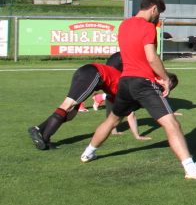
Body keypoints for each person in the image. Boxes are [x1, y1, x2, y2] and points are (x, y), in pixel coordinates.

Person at [80, 0, 196, 179]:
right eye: (158, 13)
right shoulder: (148, 28)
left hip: (125, 81)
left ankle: (88, 153)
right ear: (153, 8)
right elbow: (151, 58)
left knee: (112, 120)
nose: (158, 17)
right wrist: (165, 79)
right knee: (172, 124)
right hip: (142, 83)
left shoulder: (124, 24)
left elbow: (134, 55)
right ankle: (191, 170)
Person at [27, 58, 162, 149]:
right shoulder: (126, 90)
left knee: (71, 113)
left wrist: (113, 130)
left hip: (86, 71)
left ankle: (39, 131)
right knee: (67, 105)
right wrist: (137, 136)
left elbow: (111, 112)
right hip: (94, 73)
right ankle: (44, 138)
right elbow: (130, 115)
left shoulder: (122, 87)